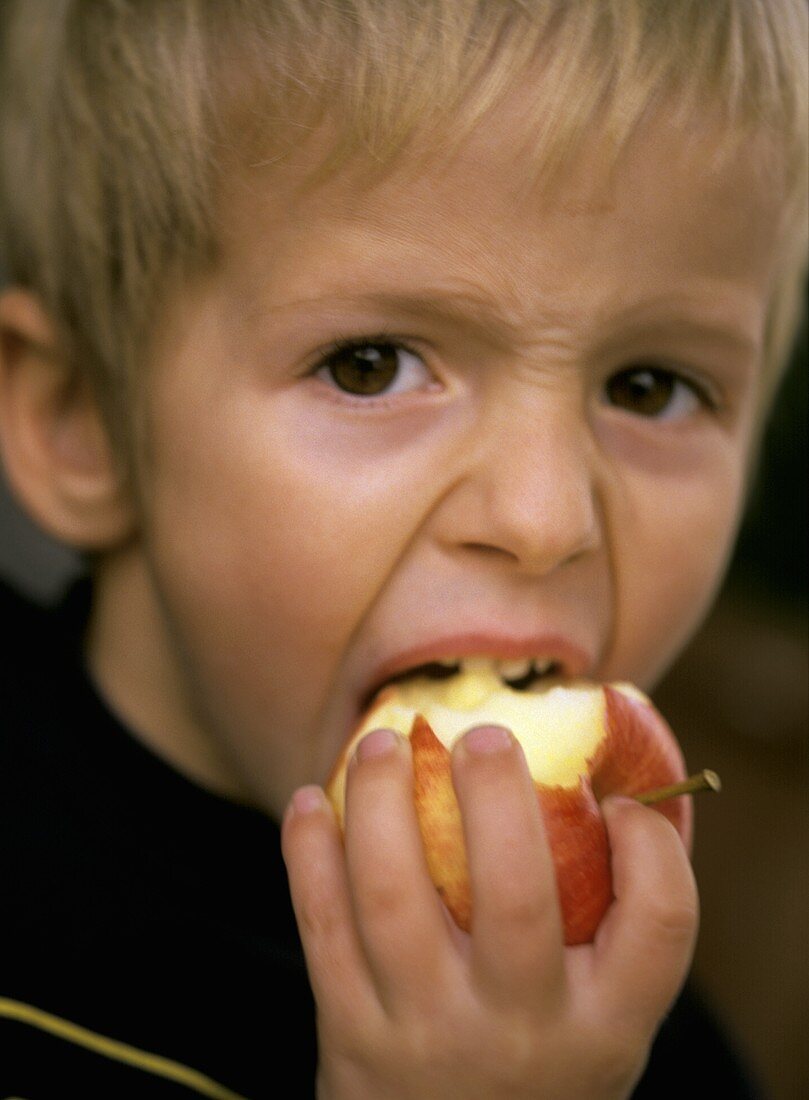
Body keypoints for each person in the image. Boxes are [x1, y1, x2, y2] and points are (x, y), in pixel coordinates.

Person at [0, 2, 805, 1096]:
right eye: (370, 365)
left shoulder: (633, 1053)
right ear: (82, 418)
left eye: (647, 387)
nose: (542, 517)